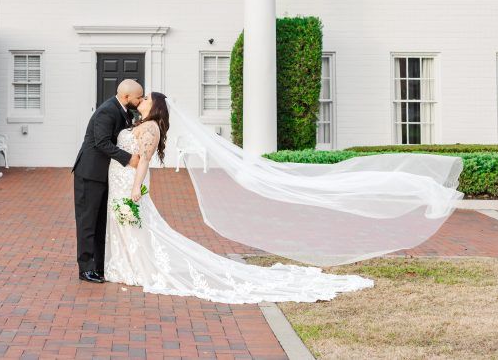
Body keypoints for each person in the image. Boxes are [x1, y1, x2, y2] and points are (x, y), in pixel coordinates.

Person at [103, 92, 374, 303]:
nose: (143, 100)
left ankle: (137, 267)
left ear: (156, 106)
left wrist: (136, 187)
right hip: (118, 180)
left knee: (137, 224)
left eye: (148, 98)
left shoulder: (150, 129)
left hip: (129, 183)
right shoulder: (141, 122)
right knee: (127, 225)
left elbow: (144, 161)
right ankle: (127, 264)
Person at [71, 79, 142, 283]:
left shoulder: (125, 111)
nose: (140, 101)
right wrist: (130, 159)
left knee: (101, 221)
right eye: (138, 97)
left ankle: (99, 266)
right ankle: (86, 269)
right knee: (87, 222)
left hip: (105, 175)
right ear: (126, 97)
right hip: (89, 173)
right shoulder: (107, 111)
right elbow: (101, 142)